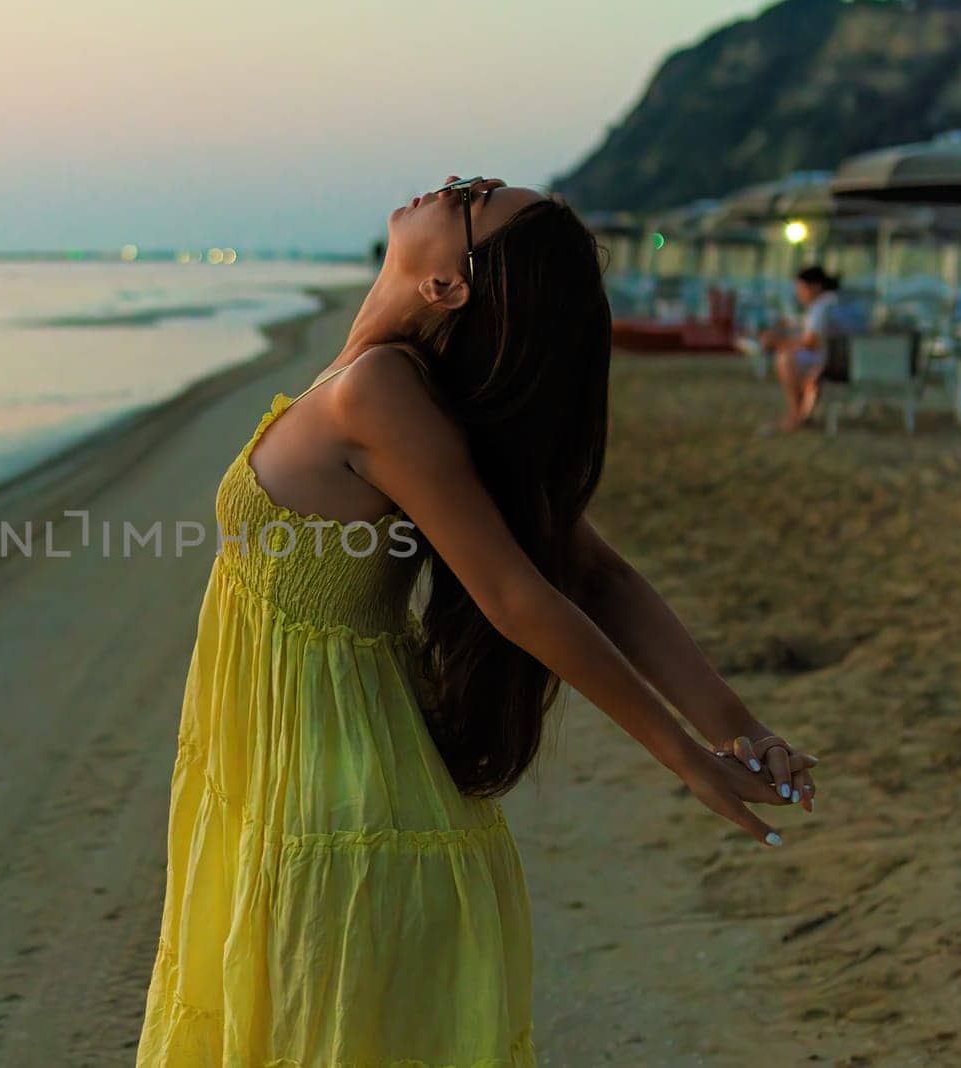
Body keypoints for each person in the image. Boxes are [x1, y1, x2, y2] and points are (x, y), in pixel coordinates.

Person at [134, 176, 820, 1067]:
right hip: (294, 770)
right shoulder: (394, 386)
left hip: (334, 790)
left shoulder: (380, 392)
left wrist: (696, 752)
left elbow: (526, 592)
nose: (451, 183)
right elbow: (593, 574)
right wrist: (737, 728)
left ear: (448, 286)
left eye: (473, 197)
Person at [759, 265, 842, 431]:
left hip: (835, 361)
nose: (799, 293)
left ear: (815, 287)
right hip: (845, 357)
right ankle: (801, 413)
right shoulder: (830, 302)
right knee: (790, 356)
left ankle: (798, 414)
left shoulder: (822, 306)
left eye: (801, 288)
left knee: (785, 358)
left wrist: (777, 343)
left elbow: (811, 342)